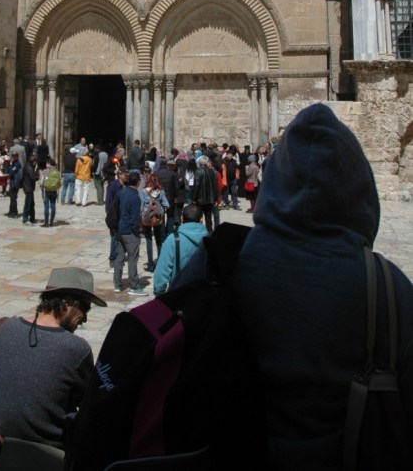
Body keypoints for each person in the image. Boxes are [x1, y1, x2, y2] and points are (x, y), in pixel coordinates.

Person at [177, 104, 413, 469]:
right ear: (358, 184)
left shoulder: (219, 259)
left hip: (228, 450)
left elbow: (173, 347)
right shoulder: (388, 288)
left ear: (274, 180)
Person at [0, 267, 107, 456]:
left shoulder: (6, 328)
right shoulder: (75, 348)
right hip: (52, 454)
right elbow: (89, 403)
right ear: (67, 303)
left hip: (8, 447)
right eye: (84, 308)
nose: (84, 318)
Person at [153, 203, 207, 295]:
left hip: (178, 294)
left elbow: (161, 273)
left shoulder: (173, 240)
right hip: (203, 295)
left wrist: (159, 293)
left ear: (182, 218)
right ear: (201, 220)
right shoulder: (210, 240)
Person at [113, 170, 147, 295]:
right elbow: (135, 219)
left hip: (119, 229)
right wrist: (137, 232)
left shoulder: (122, 192)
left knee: (119, 258)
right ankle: (134, 286)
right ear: (138, 182)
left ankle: (117, 284)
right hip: (129, 231)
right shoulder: (135, 197)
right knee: (132, 258)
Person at [40, 159, 60, 227]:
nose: (46, 164)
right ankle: (51, 222)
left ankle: (46, 222)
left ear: (49, 163)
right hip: (54, 191)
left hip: (46, 190)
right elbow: (59, 182)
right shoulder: (57, 172)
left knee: (46, 207)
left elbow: (41, 181)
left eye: (46, 163)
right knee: (53, 206)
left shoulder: (45, 171)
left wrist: (41, 187)